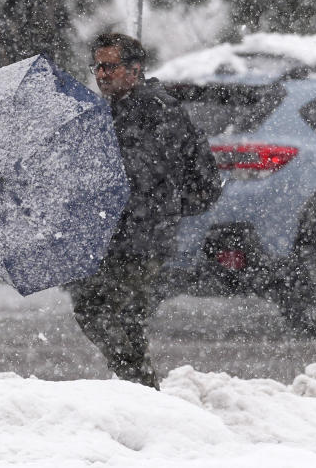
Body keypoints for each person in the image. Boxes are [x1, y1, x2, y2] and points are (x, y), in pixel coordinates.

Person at [68, 33, 221, 389]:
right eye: (97, 66)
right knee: (93, 309)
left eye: (109, 66)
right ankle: (137, 390)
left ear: (134, 71)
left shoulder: (157, 110)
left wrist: (103, 169)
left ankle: (141, 394)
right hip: (108, 238)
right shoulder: (107, 111)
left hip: (142, 239)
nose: (101, 74)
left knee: (121, 319)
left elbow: (146, 171)